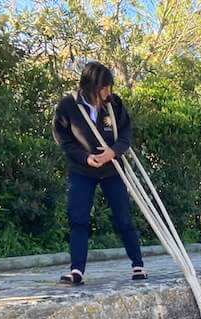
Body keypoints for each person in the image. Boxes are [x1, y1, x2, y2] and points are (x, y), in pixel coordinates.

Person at [52, 62, 146, 286]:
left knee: (123, 218)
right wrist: (85, 157)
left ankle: (138, 264)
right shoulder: (68, 105)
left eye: (109, 87)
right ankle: (77, 271)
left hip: (112, 170)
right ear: (90, 86)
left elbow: (125, 132)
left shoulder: (114, 104)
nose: (108, 92)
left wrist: (113, 152)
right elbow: (62, 137)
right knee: (78, 219)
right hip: (82, 170)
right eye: (103, 88)